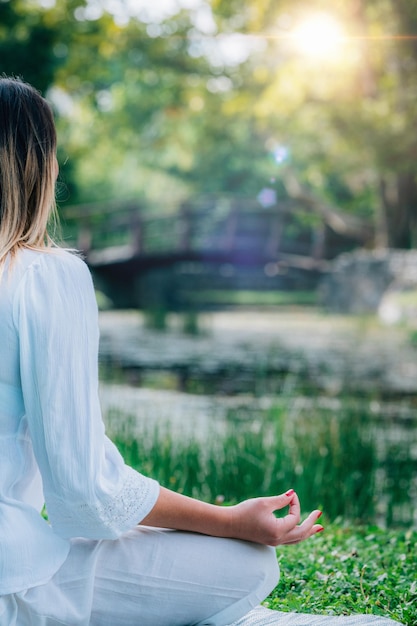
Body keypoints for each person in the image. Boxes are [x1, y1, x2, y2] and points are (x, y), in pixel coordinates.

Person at [0, 76, 402, 626]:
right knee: (249, 564)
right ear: (37, 168)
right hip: (12, 583)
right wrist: (230, 520)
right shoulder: (41, 276)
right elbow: (85, 495)